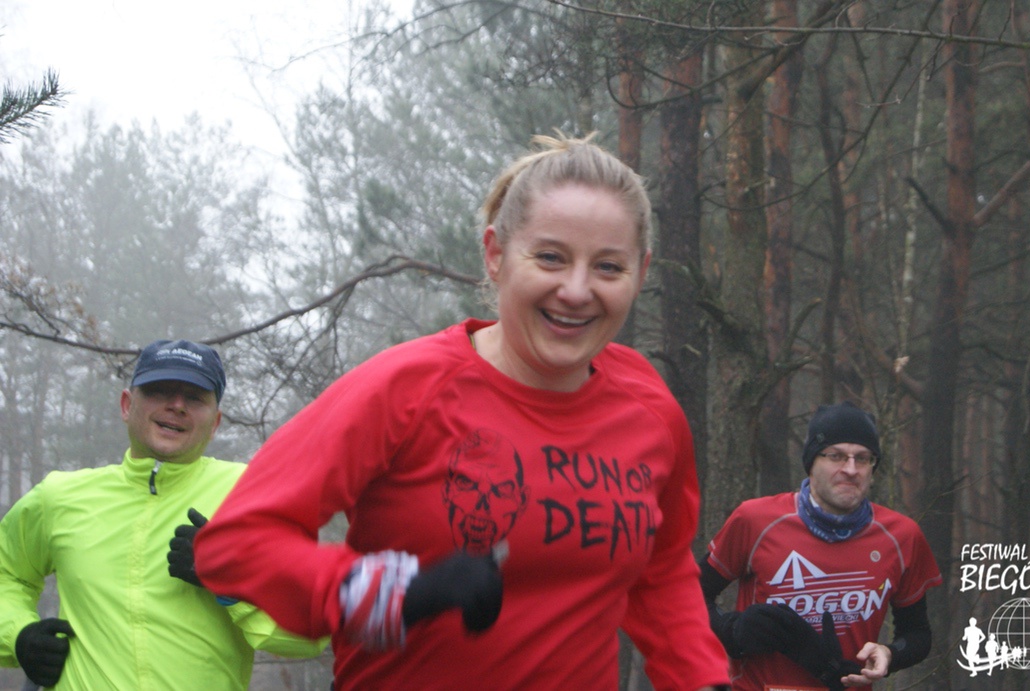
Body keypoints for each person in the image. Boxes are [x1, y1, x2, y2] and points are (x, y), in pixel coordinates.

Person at [194, 133, 731, 690]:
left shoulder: (648, 408)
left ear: (640, 273)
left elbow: (662, 572)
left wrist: (702, 679)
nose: (576, 290)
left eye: (608, 267)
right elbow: (236, 542)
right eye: (550, 257)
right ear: (496, 254)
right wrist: (393, 591)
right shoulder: (406, 388)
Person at [0, 339, 325, 689]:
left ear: (215, 422)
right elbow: (8, 576)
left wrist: (231, 576)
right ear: (127, 405)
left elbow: (308, 633)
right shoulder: (60, 496)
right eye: (159, 391)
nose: (177, 406)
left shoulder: (253, 495)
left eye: (195, 397)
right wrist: (19, 635)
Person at [700, 401, 942, 690]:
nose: (850, 469)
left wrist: (890, 654)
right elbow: (691, 596)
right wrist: (732, 632)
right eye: (836, 456)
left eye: (862, 458)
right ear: (812, 463)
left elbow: (917, 634)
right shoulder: (755, 521)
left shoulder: (901, 536)